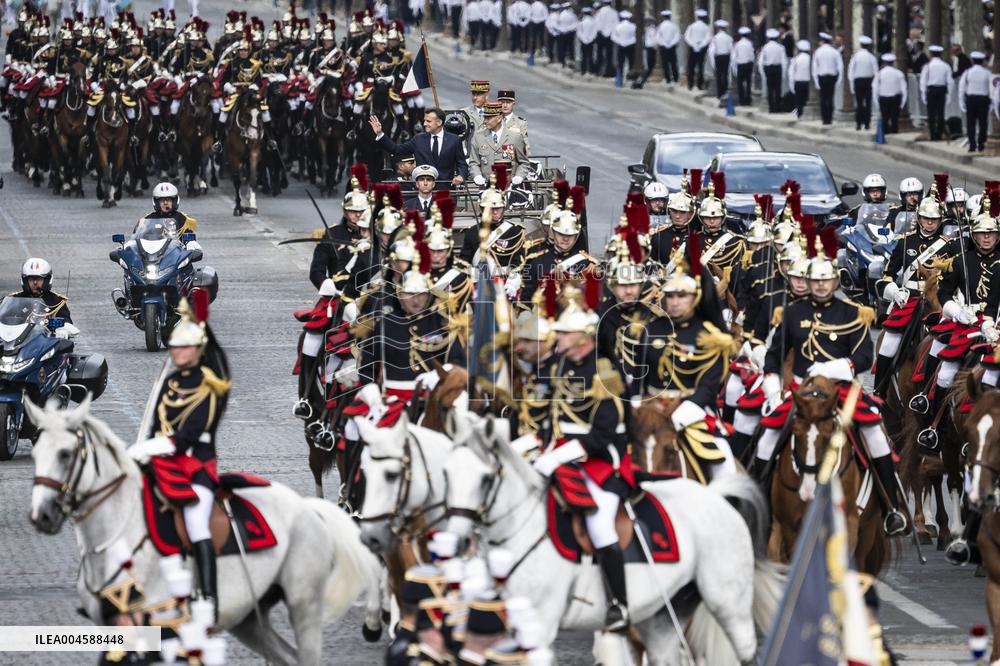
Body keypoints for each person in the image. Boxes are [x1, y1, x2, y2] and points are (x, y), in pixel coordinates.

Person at [756, 229, 909, 536]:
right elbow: (773, 358)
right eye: (816, 281)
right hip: (800, 391)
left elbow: (865, 357)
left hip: (840, 390)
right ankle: (756, 506)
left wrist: (836, 367)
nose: (821, 286)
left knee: (875, 432)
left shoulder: (852, 312)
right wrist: (773, 391)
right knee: (766, 439)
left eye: (826, 280)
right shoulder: (790, 312)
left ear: (835, 282)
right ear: (809, 283)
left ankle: (893, 507)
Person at [530, 277, 631, 631]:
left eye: (563, 333)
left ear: (583, 337)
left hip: (600, 461)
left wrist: (558, 455)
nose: (556, 337)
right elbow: (550, 417)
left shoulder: (605, 370)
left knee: (601, 522)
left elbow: (604, 433)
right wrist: (536, 447)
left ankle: (619, 603)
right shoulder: (559, 366)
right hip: (561, 452)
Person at [127, 295, 231, 622]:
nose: (177, 352)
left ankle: (209, 598)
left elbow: (190, 434)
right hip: (163, 464)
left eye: (184, 347)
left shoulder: (209, 385)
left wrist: (154, 447)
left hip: (195, 465)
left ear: (198, 350)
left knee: (197, 522)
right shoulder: (170, 382)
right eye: (174, 347)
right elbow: (156, 424)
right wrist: (143, 448)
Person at [369, 108, 469, 187]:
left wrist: (461, 176)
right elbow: (396, 150)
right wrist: (380, 134)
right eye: (424, 120)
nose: (425, 124)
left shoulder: (454, 140)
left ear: (439, 123)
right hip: (423, 190)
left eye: (428, 121)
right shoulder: (419, 139)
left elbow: (462, 164)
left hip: (446, 189)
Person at [468, 102, 530, 186]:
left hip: (509, 186)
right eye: (484, 117)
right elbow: (474, 163)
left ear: (499, 118)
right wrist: (477, 175)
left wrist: (519, 176)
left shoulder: (515, 137)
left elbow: (524, 162)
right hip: (487, 186)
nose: (485, 121)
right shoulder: (478, 136)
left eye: (488, 118)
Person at [11, 258, 72, 323]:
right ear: (25, 281)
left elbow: (67, 323)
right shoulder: (15, 299)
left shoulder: (57, 301)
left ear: (46, 280)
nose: (35, 283)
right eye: (31, 279)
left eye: (39, 279)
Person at [959, 51, 991, 153]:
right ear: (982, 61)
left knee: (970, 123)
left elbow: (962, 88)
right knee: (983, 123)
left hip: (971, 99)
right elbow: (991, 88)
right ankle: (981, 144)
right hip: (983, 99)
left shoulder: (967, 72)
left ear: (973, 61)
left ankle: (972, 144)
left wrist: (962, 102)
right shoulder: (987, 73)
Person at [920, 44, 952, 141]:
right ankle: (940, 133)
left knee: (931, 113)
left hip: (931, 90)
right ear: (941, 54)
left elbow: (923, 81)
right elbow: (950, 82)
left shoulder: (928, 66)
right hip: (942, 90)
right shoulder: (946, 66)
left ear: (931, 54)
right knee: (941, 113)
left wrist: (923, 93)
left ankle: (933, 135)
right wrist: (949, 94)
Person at [848, 35, 878, 130]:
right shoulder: (871, 57)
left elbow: (851, 71)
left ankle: (858, 124)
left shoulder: (855, 57)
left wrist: (851, 84)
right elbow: (876, 72)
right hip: (869, 81)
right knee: (868, 103)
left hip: (858, 81)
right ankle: (867, 124)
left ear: (861, 45)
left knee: (859, 103)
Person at [812, 32, 842, 125]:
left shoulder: (818, 52)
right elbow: (840, 67)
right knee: (830, 97)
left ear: (822, 41)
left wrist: (816, 81)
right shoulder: (835, 52)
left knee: (823, 98)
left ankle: (824, 119)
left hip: (822, 77)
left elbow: (814, 68)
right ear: (830, 41)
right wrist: (839, 79)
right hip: (832, 77)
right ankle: (830, 118)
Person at [874, 52, 906, 135]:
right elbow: (904, 89)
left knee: (885, 117)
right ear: (893, 62)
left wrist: (876, 101)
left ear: (884, 62)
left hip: (883, 97)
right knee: (894, 117)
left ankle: (885, 133)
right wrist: (902, 103)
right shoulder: (899, 73)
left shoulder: (880, 73)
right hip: (895, 98)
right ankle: (894, 132)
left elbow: (875, 89)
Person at [758, 28, 788, 113]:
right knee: (778, 88)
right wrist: (784, 74)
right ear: (777, 38)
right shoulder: (780, 47)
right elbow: (784, 61)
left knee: (770, 89)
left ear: (768, 37)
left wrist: (763, 73)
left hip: (768, 69)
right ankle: (777, 107)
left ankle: (771, 108)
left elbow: (760, 62)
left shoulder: (765, 47)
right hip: (778, 68)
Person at [683, 8, 710, 90]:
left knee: (691, 66)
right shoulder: (706, 27)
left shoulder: (691, 26)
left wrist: (693, 45)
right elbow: (708, 38)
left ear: (697, 17)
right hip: (702, 48)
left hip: (692, 47)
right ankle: (699, 84)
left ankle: (690, 84)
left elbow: (686, 37)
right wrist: (701, 45)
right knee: (701, 66)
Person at [707, 19, 732, 98]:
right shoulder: (729, 38)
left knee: (718, 75)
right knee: (725, 74)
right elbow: (731, 49)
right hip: (726, 56)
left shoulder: (715, 38)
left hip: (718, 57)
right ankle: (725, 91)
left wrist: (713, 62)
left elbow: (712, 50)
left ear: (718, 28)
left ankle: (719, 93)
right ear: (725, 28)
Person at [788, 39, 812, 117]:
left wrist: (791, 84)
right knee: (806, 99)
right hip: (808, 82)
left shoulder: (796, 59)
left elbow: (791, 72)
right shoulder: (810, 58)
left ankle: (799, 115)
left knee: (799, 101)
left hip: (798, 82)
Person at [611, 10, 637, 81]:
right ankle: (630, 76)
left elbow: (613, 36)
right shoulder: (633, 26)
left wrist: (620, 41)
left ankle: (620, 76)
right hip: (630, 45)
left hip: (621, 45)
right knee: (631, 61)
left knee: (620, 62)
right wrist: (631, 41)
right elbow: (635, 36)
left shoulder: (618, 26)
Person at [731, 26, 754, 105]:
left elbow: (734, 56)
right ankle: (748, 100)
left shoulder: (738, 44)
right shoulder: (750, 44)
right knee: (748, 83)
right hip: (748, 64)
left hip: (740, 65)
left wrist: (734, 67)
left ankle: (741, 100)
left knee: (740, 83)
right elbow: (752, 55)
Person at [655, 9, 680, 84]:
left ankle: (668, 78)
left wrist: (664, 43)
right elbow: (677, 36)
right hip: (672, 47)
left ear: (663, 17)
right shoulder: (674, 26)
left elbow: (658, 37)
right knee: (673, 62)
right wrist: (671, 43)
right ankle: (675, 78)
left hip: (663, 47)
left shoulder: (661, 26)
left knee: (665, 63)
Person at [594, 0, 617, 77]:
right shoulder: (614, 13)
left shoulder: (599, 12)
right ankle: (609, 72)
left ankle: (597, 71)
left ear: (603, 3)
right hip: (610, 35)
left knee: (599, 54)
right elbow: (616, 25)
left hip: (601, 35)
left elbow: (597, 24)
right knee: (609, 55)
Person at [577, 7, 597, 76]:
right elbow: (594, 32)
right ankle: (591, 70)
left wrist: (583, 39)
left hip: (583, 41)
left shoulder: (581, 22)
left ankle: (583, 70)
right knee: (591, 56)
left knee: (583, 56)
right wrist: (591, 39)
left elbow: (579, 32)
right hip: (591, 41)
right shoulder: (593, 22)